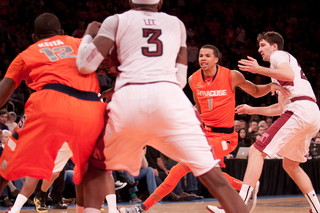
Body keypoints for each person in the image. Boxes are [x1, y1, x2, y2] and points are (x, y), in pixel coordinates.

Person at [76, 0, 250, 213]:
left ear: (131, 1)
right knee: (215, 179)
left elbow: (85, 64)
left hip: (129, 100)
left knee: (97, 168)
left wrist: (89, 33)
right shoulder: (176, 24)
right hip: (170, 100)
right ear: (159, 2)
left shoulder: (116, 21)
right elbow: (179, 79)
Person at [118, 43, 287, 213]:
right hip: (204, 136)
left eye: (207, 56)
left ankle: (141, 208)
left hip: (226, 138)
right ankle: (246, 187)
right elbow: (199, 108)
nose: (203, 59)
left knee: (186, 170)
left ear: (216, 59)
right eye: (200, 56)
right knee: (196, 171)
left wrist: (271, 87)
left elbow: (256, 91)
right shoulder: (193, 80)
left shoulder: (231, 76)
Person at [0, 12, 109, 213]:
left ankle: (15, 208)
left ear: (33, 37)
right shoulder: (78, 43)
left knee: (7, 163)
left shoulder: (26, 53)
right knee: (90, 169)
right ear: (61, 32)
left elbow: (3, 92)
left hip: (51, 105)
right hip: (91, 107)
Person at [235, 31, 320, 213]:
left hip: (300, 110)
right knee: (290, 164)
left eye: (263, 45)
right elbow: (280, 108)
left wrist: (258, 69)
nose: (259, 49)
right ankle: (317, 208)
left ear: (274, 46)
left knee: (256, 150)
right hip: (310, 113)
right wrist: (252, 109)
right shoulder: (277, 72)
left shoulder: (278, 56)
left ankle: (237, 207)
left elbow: (288, 75)